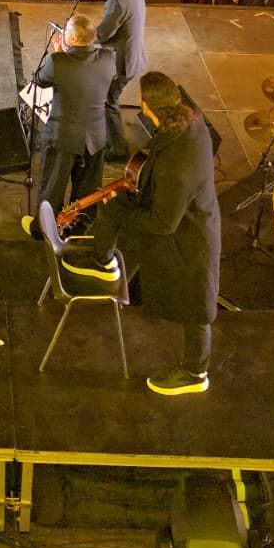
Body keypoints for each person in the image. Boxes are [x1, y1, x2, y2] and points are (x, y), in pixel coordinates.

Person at [85, 71, 221, 397]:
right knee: (118, 212)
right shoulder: (191, 121)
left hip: (191, 238)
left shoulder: (177, 167)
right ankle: (106, 264)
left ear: (147, 107)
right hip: (188, 220)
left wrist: (125, 213)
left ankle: (195, 373)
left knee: (197, 308)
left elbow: (163, 223)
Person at [21, 16, 116, 239]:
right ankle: (80, 229)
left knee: (53, 186)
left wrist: (59, 53)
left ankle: (43, 229)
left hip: (63, 137)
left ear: (72, 39)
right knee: (88, 188)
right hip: (95, 137)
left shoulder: (58, 62)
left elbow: (40, 80)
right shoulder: (108, 58)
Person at [95, 0, 147, 160]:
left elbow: (103, 34)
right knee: (109, 100)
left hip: (121, 63)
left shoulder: (119, 0)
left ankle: (117, 149)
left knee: (108, 101)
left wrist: (76, 38)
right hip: (131, 58)